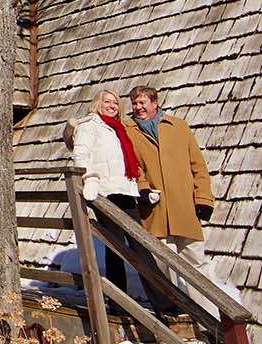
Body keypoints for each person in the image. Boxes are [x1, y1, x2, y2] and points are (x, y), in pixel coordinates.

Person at [124, 85, 238, 311]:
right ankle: (173, 313)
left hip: (184, 207)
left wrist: (204, 199)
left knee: (197, 264)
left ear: (155, 103)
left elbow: (198, 166)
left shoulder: (178, 127)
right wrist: (143, 188)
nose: (138, 108)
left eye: (142, 103)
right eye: (134, 104)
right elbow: (132, 165)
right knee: (161, 265)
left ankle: (210, 316)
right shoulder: (128, 130)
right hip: (154, 210)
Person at [70, 89, 140, 290]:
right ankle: (119, 300)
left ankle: (164, 303)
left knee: (141, 245)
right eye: (107, 102)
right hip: (105, 192)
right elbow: (81, 154)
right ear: (97, 103)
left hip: (126, 190)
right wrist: (89, 178)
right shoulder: (89, 126)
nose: (112, 106)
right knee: (115, 247)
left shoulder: (120, 129)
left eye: (115, 103)